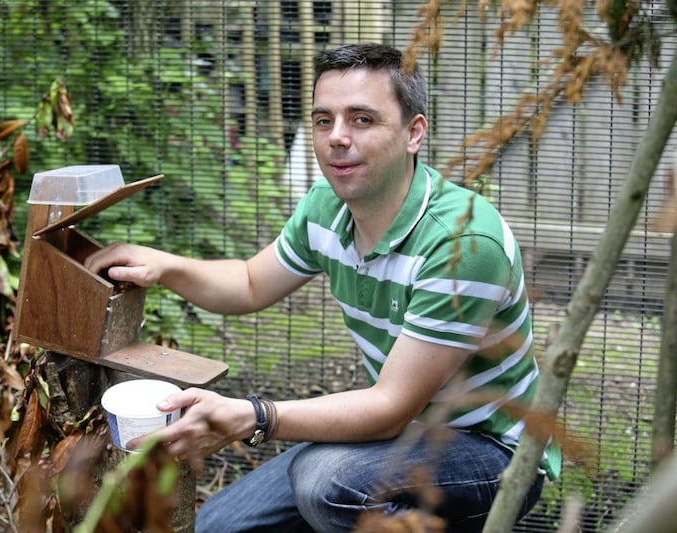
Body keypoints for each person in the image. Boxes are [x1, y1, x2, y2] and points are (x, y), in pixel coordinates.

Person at [85, 43, 560, 532]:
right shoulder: (325, 208)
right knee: (218, 526)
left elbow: (390, 408)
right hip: (402, 434)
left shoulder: (463, 242)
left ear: (413, 133)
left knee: (327, 483)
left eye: (361, 120)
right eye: (322, 120)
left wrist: (254, 416)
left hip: (492, 452)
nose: (337, 138)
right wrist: (165, 266)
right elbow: (249, 284)